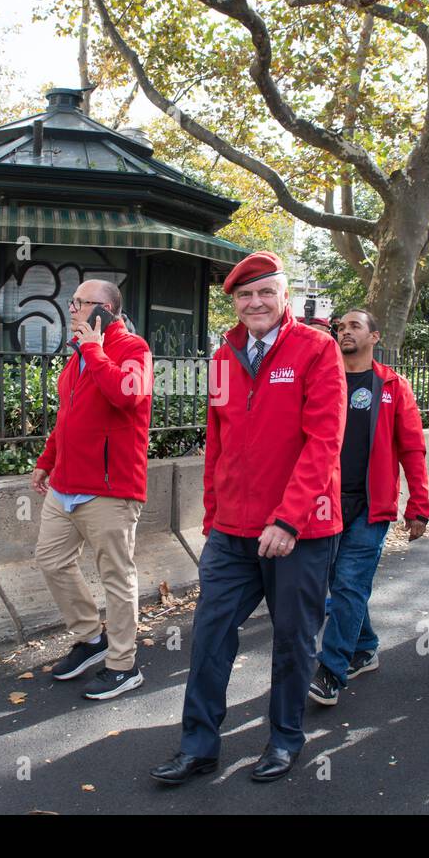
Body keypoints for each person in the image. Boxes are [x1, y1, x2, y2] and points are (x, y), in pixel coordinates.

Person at [150, 251, 345, 785]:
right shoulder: (222, 357)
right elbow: (217, 443)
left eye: (265, 293)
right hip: (232, 531)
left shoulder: (316, 348)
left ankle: (284, 739)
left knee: (293, 641)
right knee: (210, 638)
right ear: (234, 303)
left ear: (284, 296)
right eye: (244, 295)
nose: (255, 303)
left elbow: (324, 440)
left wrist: (288, 519)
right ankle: (199, 747)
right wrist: (212, 515)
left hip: (297, 532)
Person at [31, 280, 153, 701]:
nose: (73, 309)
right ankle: (88, 637)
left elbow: (127, 394)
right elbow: (68, 415)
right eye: (73, 302)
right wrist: (47, 460)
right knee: (51, 560)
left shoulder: (134, 349)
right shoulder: (77, 354)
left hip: (109, 487)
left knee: (116, 578)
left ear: (105, 309)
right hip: (65, 485)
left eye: (81, 303)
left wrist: (95, 350)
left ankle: (123, 665)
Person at [308, 309, 429, 707]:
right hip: (323, 502)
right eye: (340, 327)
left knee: (348, 584)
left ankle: (331, 670)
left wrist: (419, 504)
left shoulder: (393, 385)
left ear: (375, 336)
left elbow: (412, 448)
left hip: (370, 506)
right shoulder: (321, 379)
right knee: (340, 586)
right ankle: (366, 645)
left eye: (354, 326)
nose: (344, 332)